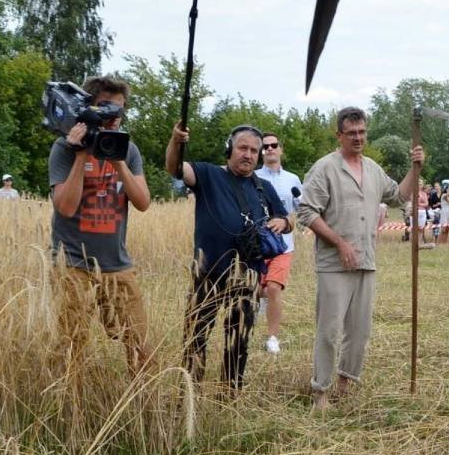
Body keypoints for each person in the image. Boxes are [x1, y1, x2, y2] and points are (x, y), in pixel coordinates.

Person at [296, 106, 424, 409]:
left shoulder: (373, 170)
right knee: (328, 330)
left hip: (366, 261)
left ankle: (345, 384)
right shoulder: (325, 168)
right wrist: (339, 242)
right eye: (351, 132)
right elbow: (306, 212)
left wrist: (415, 168)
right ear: (339, 135)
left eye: (362, 132)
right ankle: (321, 392)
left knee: (359, 331)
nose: (358, 137)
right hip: (334, 265)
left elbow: (398, 196)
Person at [166, 122, 289, 393]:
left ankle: (230, 395)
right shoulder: (208, 174)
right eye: (243, 148)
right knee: (195, 337)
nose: (248, 154)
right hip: (208, 274)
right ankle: (190, 394)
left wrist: (282, 223)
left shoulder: (263, 187)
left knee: (238, 341)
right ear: (229, 149)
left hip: (247, 276)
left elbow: (286, 218)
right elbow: (175, 168)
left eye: (254, 151)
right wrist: (176, 142)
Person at [49, 75, 153, 378]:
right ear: (88, 108)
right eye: (106, 110)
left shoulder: (128, 149)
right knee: (71, 344)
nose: (113, 118)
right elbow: (66, 207)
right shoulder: (64, 148)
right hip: (72, 262)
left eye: (119, 112)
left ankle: (143, 406)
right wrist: (81, 155)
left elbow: (143, 202)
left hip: (116, 263)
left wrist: (117, 159)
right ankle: (69, 407)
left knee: (139, 342)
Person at [255, 132, 302, 355]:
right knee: (256, 290)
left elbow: (300, 207)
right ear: (260, 152)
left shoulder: (292, 179)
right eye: (265, 147)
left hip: (283, 245)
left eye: (274, 145)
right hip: (257, 245)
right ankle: (260, 302)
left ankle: (272, 338)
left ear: (281, 149)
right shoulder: (251, 177)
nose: (270, 149)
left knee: (273, 288)